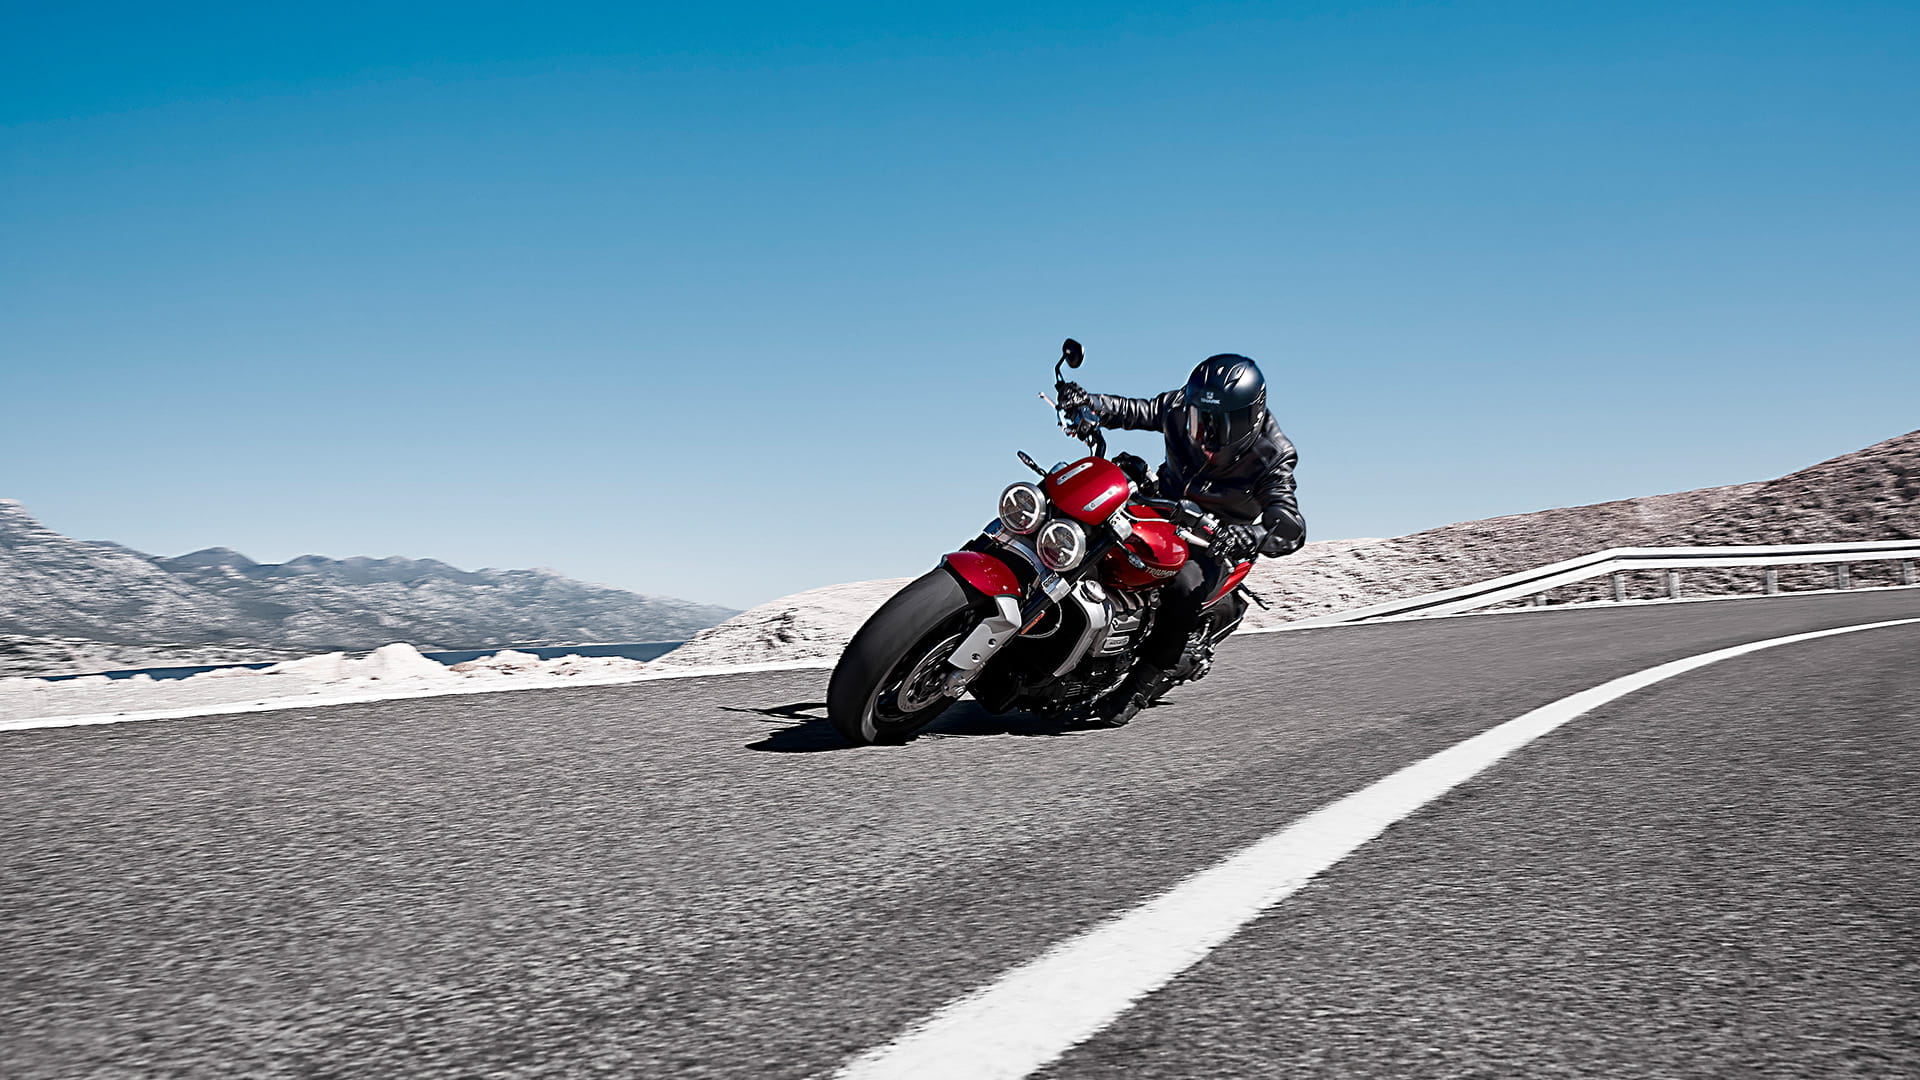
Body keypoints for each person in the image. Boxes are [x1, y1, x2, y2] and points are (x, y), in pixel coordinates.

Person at [1056, 353, 1305, 726]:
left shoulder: (1273, 454)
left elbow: (1289, 523)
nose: (1202, 431)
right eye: (1197, 417)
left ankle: (1138, 688)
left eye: (1216, 423)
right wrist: (1089, 403)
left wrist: (1251, 533)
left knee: (1184, 586)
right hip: (1162, 503)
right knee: (1087, 517)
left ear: (1249, 419)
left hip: (1213, 535)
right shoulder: (1179, 405)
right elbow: (1136, 410)